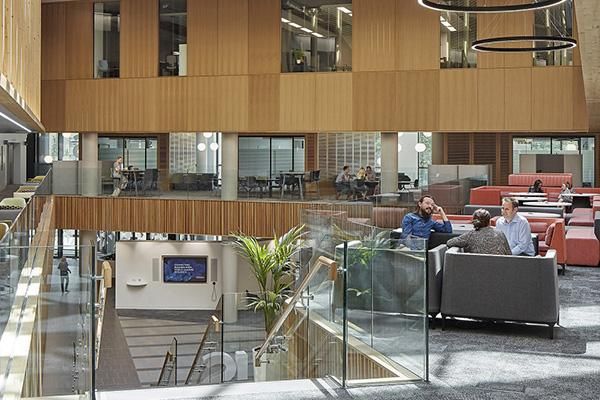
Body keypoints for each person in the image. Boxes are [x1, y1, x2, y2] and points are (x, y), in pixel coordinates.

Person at [447, 209, 511, 255]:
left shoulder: (470, 235)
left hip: (475, 271)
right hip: (500, 271)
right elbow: (509, 254)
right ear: (489, 222)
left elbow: (450, 243)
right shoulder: (500, 233)